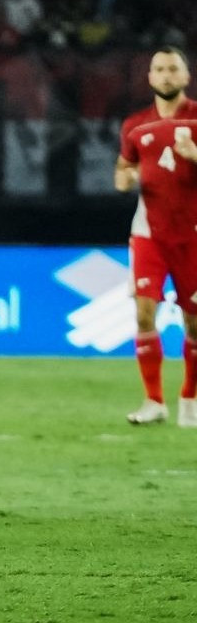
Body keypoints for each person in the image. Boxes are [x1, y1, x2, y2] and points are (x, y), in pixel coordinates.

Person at [115, 46, 197, 428]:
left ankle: (190, 398)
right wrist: (125, 179)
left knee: (193, 322)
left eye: (172, 69)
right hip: (148, 232)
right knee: (143, 311)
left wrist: (194, 155)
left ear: (185, 77)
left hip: (192, 235)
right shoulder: (135, 125)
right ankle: (153, 401)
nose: (165, 75)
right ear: (149, 78)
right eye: (159, 69)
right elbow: (123, 170)